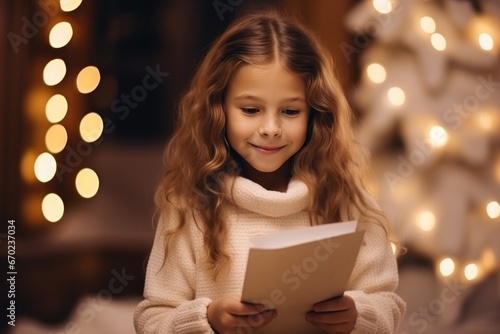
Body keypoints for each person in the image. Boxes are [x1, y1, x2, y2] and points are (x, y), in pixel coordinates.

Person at [134, 9, 406, 334]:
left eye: (290, 111)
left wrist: (360, 315)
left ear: (316, 113)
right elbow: (152, 319)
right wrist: (207, 319)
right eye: (251, 110)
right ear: (218, 108)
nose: (271, 128)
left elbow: (387, 303)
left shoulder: (347, 200)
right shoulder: (190, 206)